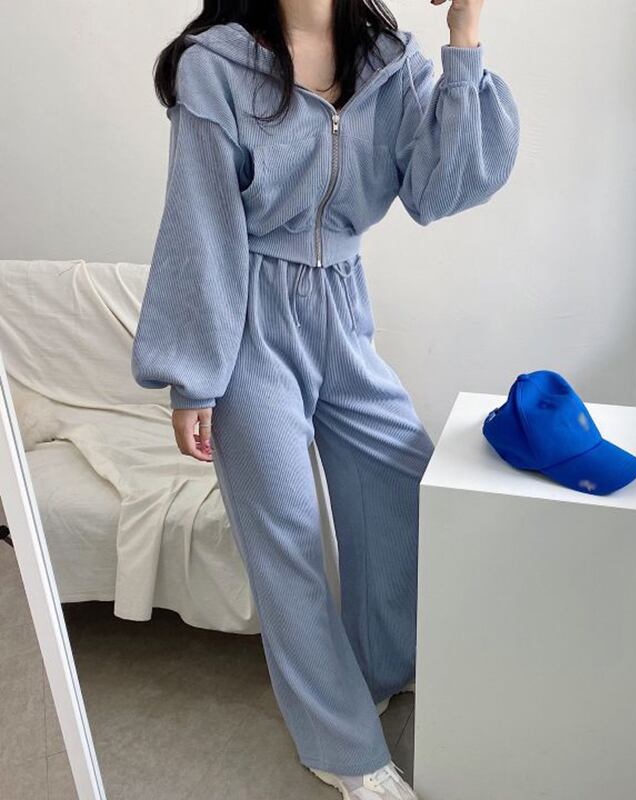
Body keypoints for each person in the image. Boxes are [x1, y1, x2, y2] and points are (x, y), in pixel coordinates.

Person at [131, 0, 519, 797]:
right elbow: (199, 224)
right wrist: (193, 376)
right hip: (249, 323)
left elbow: (441, 189)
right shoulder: (217, 65)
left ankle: (373, 670)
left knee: (404, 482)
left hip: (342, 310)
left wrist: (464, 36)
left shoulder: (387, 62)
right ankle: (340, 746)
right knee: (288, 541)